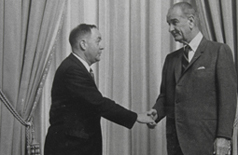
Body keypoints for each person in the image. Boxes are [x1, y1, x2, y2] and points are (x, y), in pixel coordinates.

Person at [44, 24, 155, 155]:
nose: (101, 46)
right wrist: (137, 117)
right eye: (98, 41)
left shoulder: (74, 67)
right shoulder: (72, 70)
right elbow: (98, 103)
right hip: (71, 149)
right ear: (83, 44)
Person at [147, 2, 237, 155]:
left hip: (207, 143)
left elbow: (228, 99)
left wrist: (224, 137)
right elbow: (165, 96)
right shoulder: (171, 59)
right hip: (176, 143)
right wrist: (156, 112)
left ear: (191, 21)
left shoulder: (218, 51)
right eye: (168, 24)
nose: (170, 29)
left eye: (174, 22)